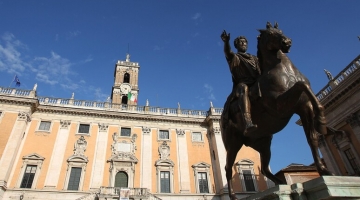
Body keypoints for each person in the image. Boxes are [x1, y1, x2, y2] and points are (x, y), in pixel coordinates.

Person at [221, 30, 261, 134]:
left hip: (256, 83)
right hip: (241, 85)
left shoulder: (255, 58)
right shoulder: (234, 58)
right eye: (241, 42)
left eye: (245, 42)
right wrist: (226, 42)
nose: (243, 43)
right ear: (236, 45)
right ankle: (247, 121)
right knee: (244, 88)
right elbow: (228, 52)